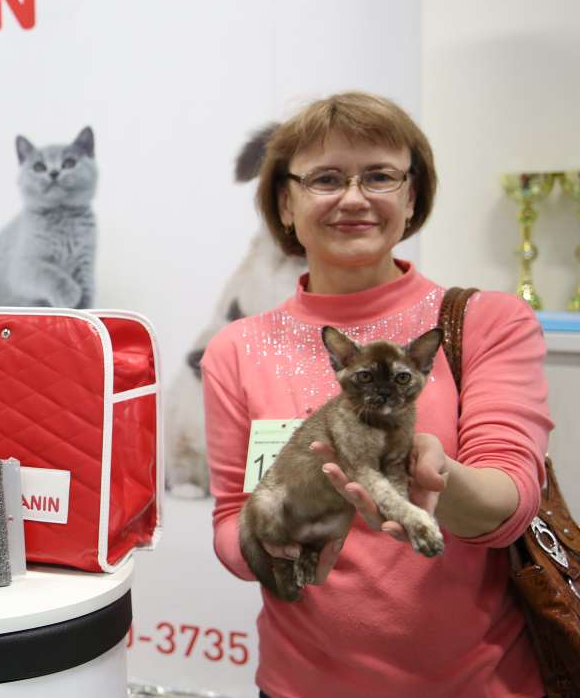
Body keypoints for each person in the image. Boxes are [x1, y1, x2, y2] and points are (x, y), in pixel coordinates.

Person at [202, 91, 552, 697]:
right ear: (285, 203)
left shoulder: (487, 323)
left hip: (475, 685)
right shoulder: (237, 347)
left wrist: (437, 477)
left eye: (380, 176)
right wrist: (272, 539)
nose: (354, 198)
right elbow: (232, 522)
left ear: (411, 197)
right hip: (297, 685)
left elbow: (510, 503)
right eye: (325, 179)